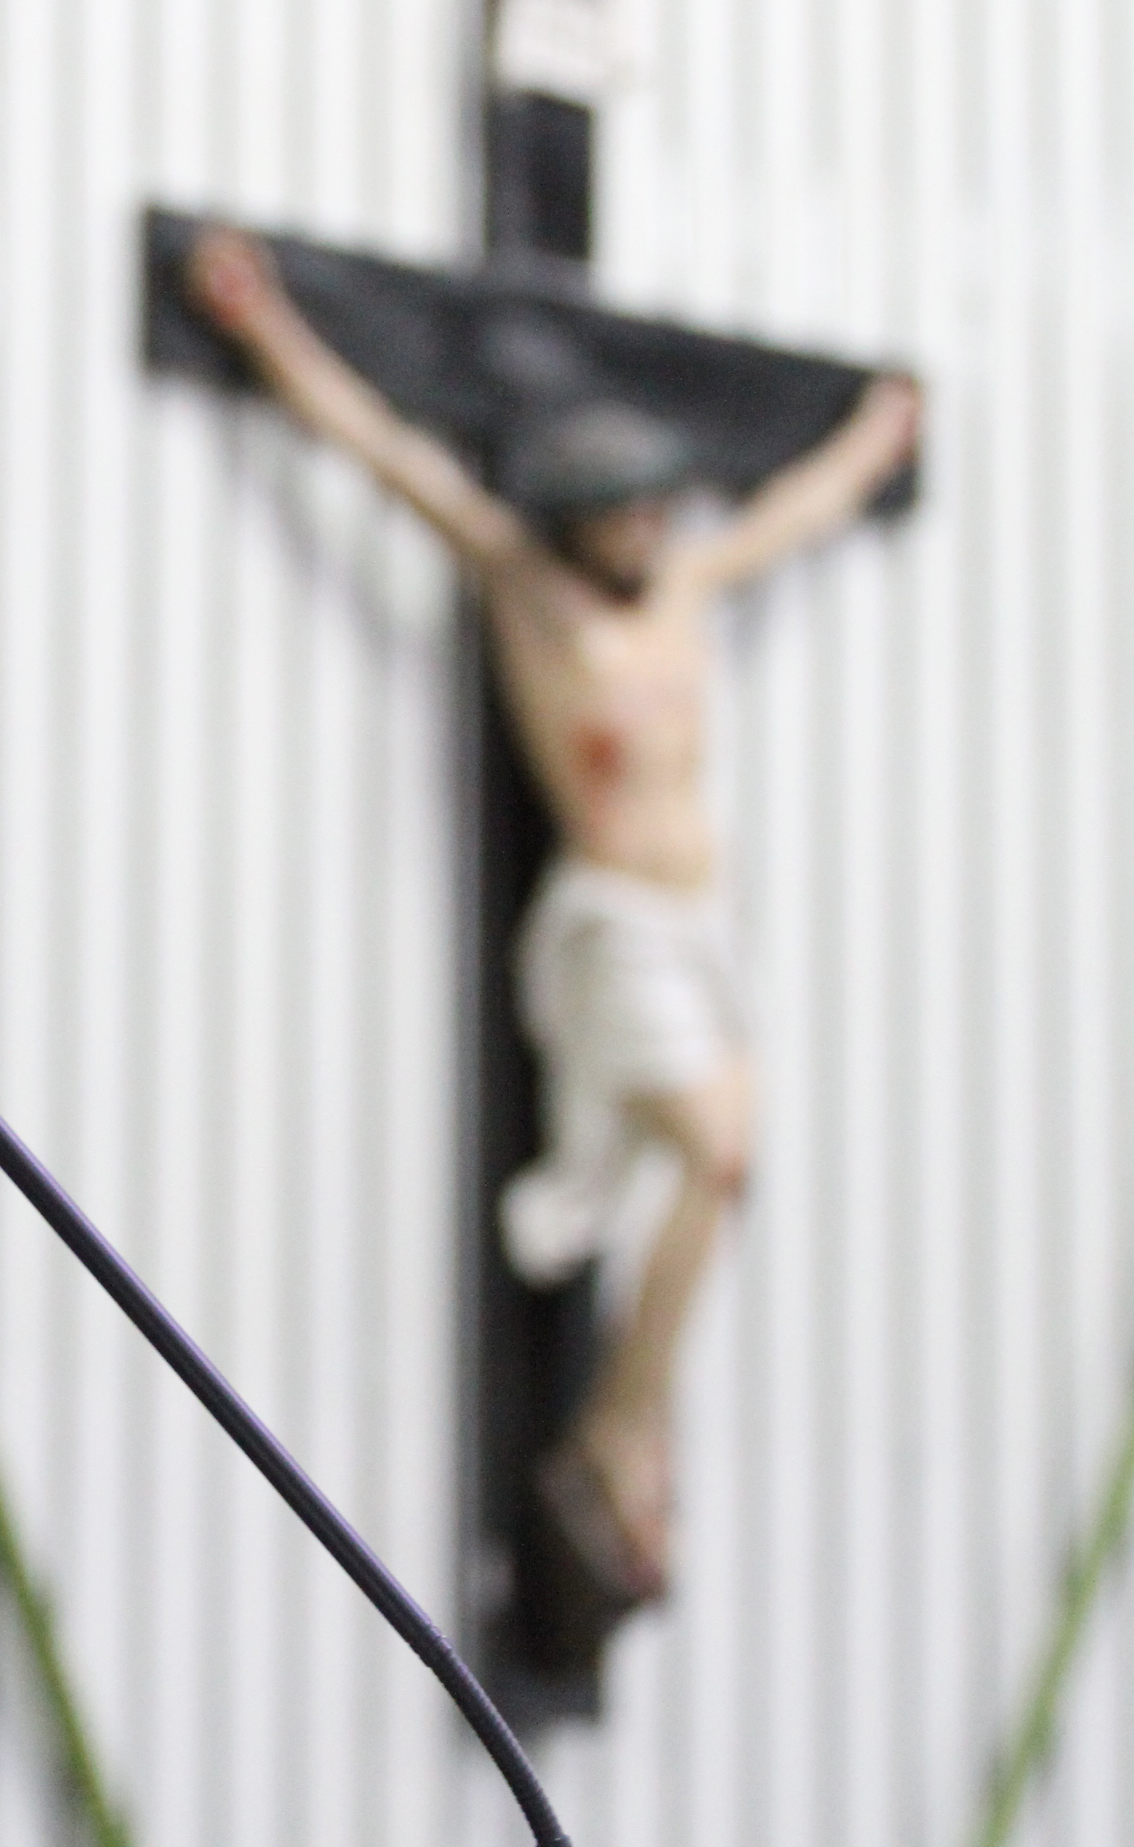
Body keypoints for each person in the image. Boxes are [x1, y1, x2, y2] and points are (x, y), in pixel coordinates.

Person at [188, 227, 920, 1610]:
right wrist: (267, 326)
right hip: (616, 927)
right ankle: (620, 1432)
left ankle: (632, 1433)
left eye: (657, 512)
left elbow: (793, 515)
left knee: (720, 1174)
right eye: (624, 515)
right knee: (716, 1155)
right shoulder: (531, 593)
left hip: (705, 930)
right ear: (581, 516)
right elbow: (388, 456)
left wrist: (875, 441)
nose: (647, 534)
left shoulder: (686, 589)